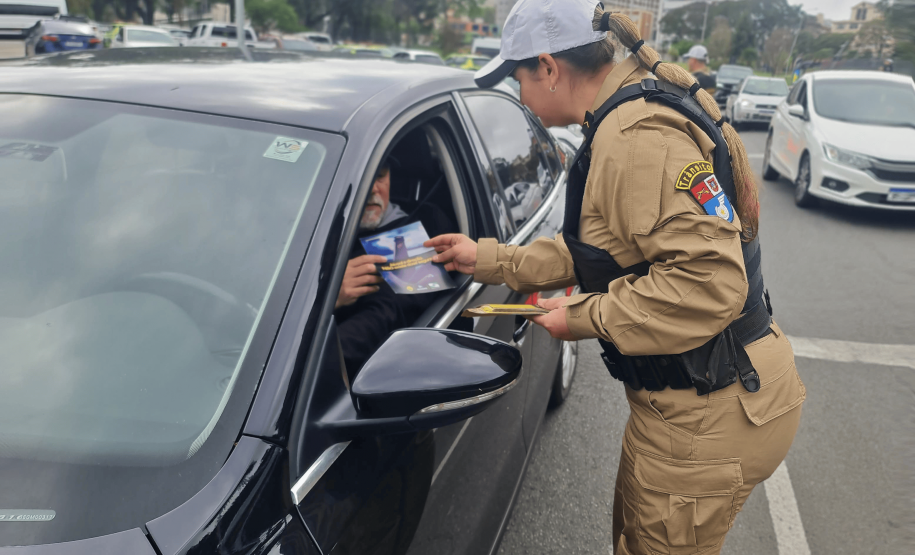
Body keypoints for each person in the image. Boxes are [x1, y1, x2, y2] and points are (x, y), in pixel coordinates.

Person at [426, 1, 805, 554]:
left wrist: (580, 316)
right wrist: (486, 258)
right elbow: (598, 251)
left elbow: (710, 284)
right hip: (690, 403)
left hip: (706, 414)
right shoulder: (623, 118)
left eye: (517, 76)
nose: (518, 94)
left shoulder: (636, 135)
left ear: (550, 68)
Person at [335, 156, 457, 372]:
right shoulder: (304, 234)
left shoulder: (411, 234)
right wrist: (332, 297)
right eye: (362, 177)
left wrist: (324, 301)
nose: (373, 188)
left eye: (380, 175)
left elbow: (385, 316)